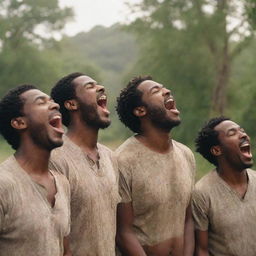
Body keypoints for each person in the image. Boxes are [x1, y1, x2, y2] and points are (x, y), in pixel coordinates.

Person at [115, 76, 195, 256]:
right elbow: (123, 233)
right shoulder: (123, 161)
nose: (167, 91)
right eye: (156, 91)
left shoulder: (186, 155)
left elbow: (188, 220)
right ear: (140, 110)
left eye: (164, 88)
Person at [49, 72, 120, 256]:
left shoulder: (110, 157)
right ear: (72, 104)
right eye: (90, 86)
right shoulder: (55, 159)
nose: (101, 88)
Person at [0, 85, 71, 256]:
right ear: (19, 122)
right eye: (41, 103)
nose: (55, 106)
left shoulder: (62, 183)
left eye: (53, 102)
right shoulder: (3, 184)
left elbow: (65, 251)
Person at [192, 116, 256, 256]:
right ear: (216, 150)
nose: (243, 135)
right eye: (233, 133)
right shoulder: (202, 193)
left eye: (242, 130)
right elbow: (201, 250)